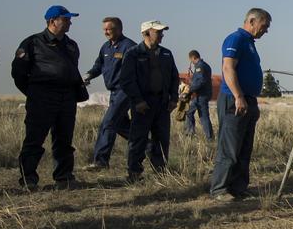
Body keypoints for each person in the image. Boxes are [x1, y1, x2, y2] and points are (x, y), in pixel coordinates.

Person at [12, 5, 87, 190]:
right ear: (53, 21)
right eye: (66, 18)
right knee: (34, 139)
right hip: (42, 97)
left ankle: (64, 177)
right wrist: (35, 94)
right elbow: (18, 73)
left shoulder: (71, 45)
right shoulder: (33, 42)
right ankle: (28, 179)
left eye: (70, 19)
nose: (70, 22)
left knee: (64, 140)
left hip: (67, 98)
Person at [209, 8, 271, 200]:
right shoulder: (235, 39)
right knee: (230, 147)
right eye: (264, 25)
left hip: (247, 100)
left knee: (244, 148)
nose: (266, 30)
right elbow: (228, 68)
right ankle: (219, 189)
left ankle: (238, 188)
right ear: (252, 21)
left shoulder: (249, 43)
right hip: (235, 100)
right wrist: (238, 96)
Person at [119, 21, 179, 183]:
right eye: (158, 32)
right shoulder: (133, 54)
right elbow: (126, 80)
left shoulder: (166, 54)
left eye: (162, 32)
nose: (161, 35)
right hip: (142, 104)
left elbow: (174, 77)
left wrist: (174, 99)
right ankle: (134, 173)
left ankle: (160, 171)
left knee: (162, 138)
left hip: (162, 103)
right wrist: (138, 101)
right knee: (138, 139)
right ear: (146, 33)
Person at [82, 17, 137, 170]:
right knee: (121, 125)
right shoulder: (105, 47)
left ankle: (100, 162)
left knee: (108, 123)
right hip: (113, 92)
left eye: (109, 29)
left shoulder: (129, 47)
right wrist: (88, 75)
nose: (105, 32)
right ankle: (150, 147)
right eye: (104, 29)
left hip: (125, 91)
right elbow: (98, 66)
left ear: (119, 29)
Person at [185, 49, 214, 139]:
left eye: (191, 61)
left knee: (203, 116)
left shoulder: (199, 66)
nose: (191, 63)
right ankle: (192, 134)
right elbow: (199, 80)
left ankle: (208, 137)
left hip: (201, 95)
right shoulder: (205, 66)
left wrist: (189, 90)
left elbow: (200, 81)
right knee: (190, 112)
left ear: (193, 57)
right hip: (203, 94)